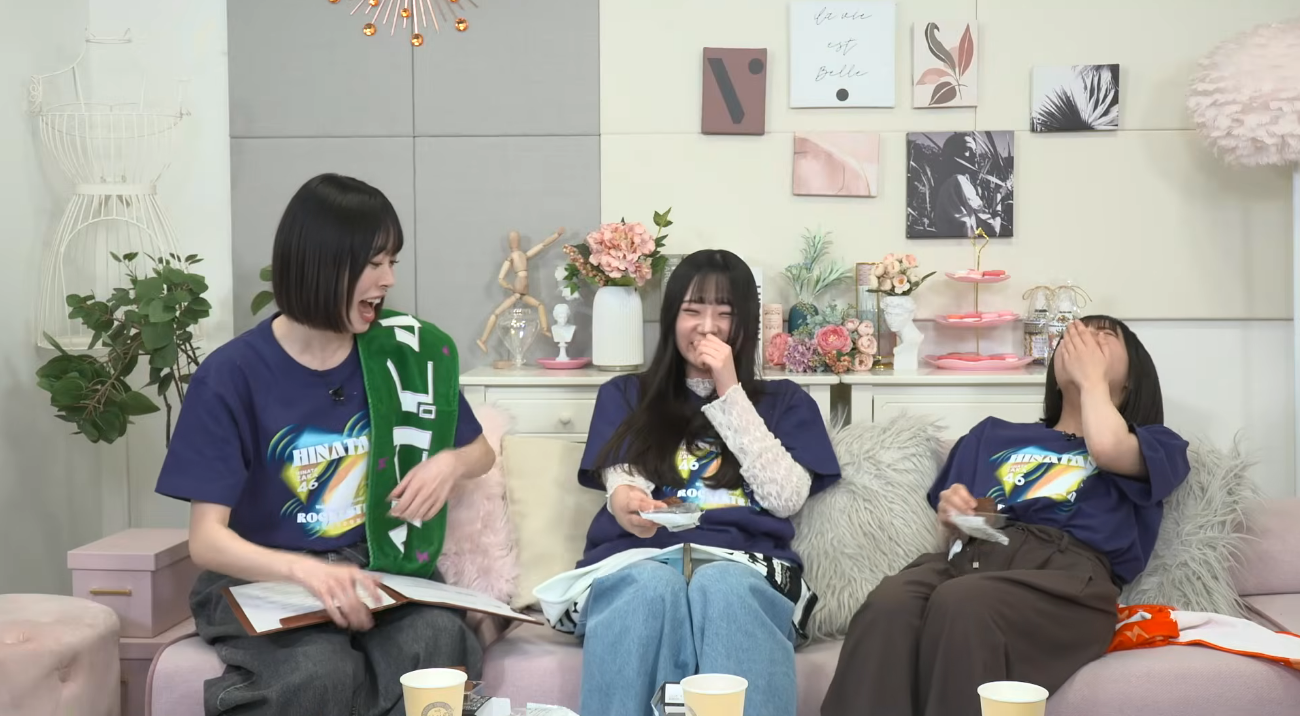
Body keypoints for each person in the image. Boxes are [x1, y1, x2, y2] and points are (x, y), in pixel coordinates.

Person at [155, 173, 495, 716]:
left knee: (436, 637)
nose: (388, 280)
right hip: (265, 575)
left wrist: (449, 464)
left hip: (376, 570)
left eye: (393, 263)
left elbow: (481, 453)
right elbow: (207, 541)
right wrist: (307, 572)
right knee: (319, 671)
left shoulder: (402, 355)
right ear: (323, 263)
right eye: (374, 263)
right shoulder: (231, 375)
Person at [821, 316, 1190, 716]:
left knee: (964, 602)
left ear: (1131, 379)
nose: (1083, 340)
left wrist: (1092, 383)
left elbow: (1106, 448)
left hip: (1067, 581)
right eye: (1077, 334)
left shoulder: (1155, 444)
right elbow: (970, 525)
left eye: (1103, 337)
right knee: (890, 602)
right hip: (973, 561)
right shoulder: (991, 435)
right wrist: (957, 514)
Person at [550, 249, 841, 716]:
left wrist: (730, 390)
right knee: (648, 587)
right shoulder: (626, 395)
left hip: (748, 570)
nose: (708, 327)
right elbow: (622, 482)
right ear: (671, 318)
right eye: (693, 311)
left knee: (723, 586)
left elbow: (786, 497)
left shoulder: (785, 402)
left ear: (746, 325)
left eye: (725, 314)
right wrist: (627, 502)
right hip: (638, 561)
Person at [932, 132, 1008, 238]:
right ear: (952, 154)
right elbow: (994, 231)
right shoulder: (959, 181)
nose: (975, 155)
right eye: (967, 149)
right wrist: (998, 194)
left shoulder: (946, 186)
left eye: (975, 151)